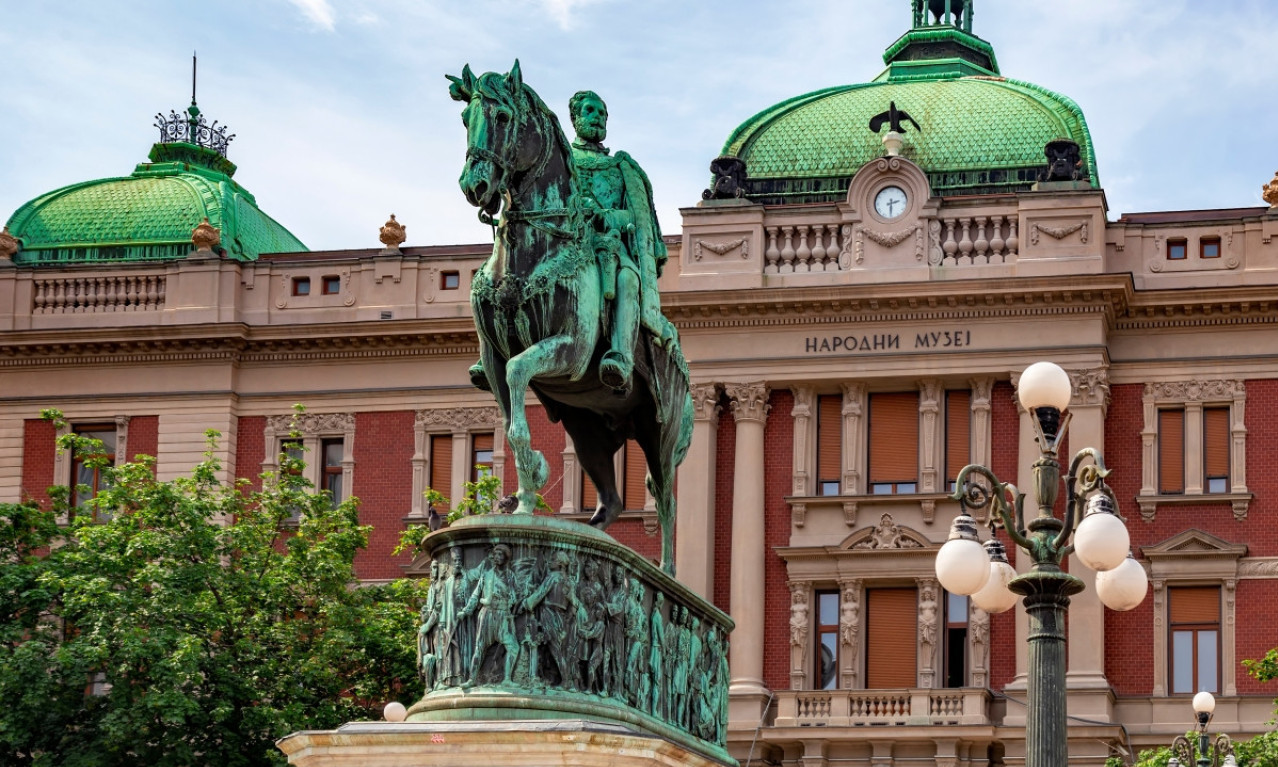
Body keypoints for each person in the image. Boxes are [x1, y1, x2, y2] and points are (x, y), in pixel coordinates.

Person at [568, 90, 677, 392]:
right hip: (564, 242)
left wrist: (609, 216)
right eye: (590, 111)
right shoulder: (561, 160)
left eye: (602, 114)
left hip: (608, 246)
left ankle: (621, 354)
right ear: (575, 118)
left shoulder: (619, 168)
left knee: (629, 280)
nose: (597, 118)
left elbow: (634, 213)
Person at [460, 544, 520, 685]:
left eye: (501, 555)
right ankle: (471, 679)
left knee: (514, 647)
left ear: (505, 558)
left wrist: (512, 600)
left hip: (503, 615)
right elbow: (476, 595)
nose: (497, 557)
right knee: (479, 647)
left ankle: (507, 679)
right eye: (496, 554)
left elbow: (515, 595)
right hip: (487, 614)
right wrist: (467, 610)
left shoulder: (510, 575)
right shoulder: (486, 575)